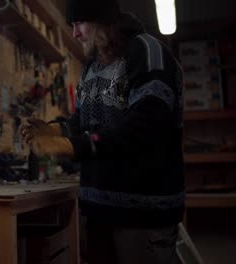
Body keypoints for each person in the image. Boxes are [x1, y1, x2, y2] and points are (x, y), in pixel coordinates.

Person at [20, 0, 185, 263]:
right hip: (97, 212)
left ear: (104, 22)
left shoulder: (146, 51)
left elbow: (147, 125)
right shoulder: (92, 67)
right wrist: (55, 130)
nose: (74, 33)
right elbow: (83, 121)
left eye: (79, 23)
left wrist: (71, 146)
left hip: (142, 218)